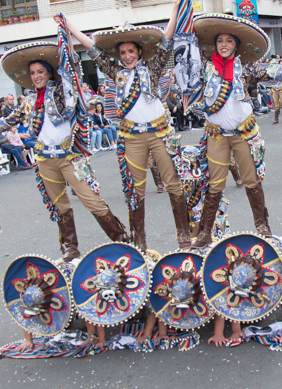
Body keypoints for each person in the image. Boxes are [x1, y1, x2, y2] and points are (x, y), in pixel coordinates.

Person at [0, 40, 129, 259]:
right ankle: (70, 249)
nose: (37, 76)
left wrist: (65, 41)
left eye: (41, 71)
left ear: (49, 73)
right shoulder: (30, 101)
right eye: (32, 73)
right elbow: (5, 122)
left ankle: (121, 240)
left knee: (91, 199)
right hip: (44, 159)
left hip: (71, 158)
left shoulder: (63, 92)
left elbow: (72, 75)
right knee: (59, 205)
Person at [187, 14, 282, 247]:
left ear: (236, 45)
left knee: (251, 181)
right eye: (219, 40)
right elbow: (186, 46)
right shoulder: (205, 67)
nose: (223, 44)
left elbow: (278, 72)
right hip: (216, 135)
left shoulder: (247, 68)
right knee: (215, 184)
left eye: (229, 41)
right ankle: (205, 232)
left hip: (243, 133)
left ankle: (262, 225)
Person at [67, 22, 190, 251]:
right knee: (135, 189)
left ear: (139, 51)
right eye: (123, 53)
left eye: (131, 51)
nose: (127, 56)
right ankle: (139, 241)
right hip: (131, 137)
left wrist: (174, 10)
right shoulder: (116, 73)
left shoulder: (153, 67)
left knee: (173, 182)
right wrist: (71, 28)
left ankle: (183, 234)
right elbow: (93, 50)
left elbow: (166, 40)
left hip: (159, 133)